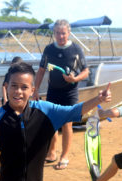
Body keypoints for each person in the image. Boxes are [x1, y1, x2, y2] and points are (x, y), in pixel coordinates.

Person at [33, 19, 89, 170]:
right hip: (53, 90)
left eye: (63, 33)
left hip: (70, 92)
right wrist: (36, 89)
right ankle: (52, 153)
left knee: (66, 123)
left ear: (68, 33)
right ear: (54, 33)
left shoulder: (76, 49)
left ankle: (64, 156)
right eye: (57, 33)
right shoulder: (49, 49)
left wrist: (75, 78)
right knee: (51, 123)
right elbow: (41, 70)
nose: (60, 36)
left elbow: (86, 70)